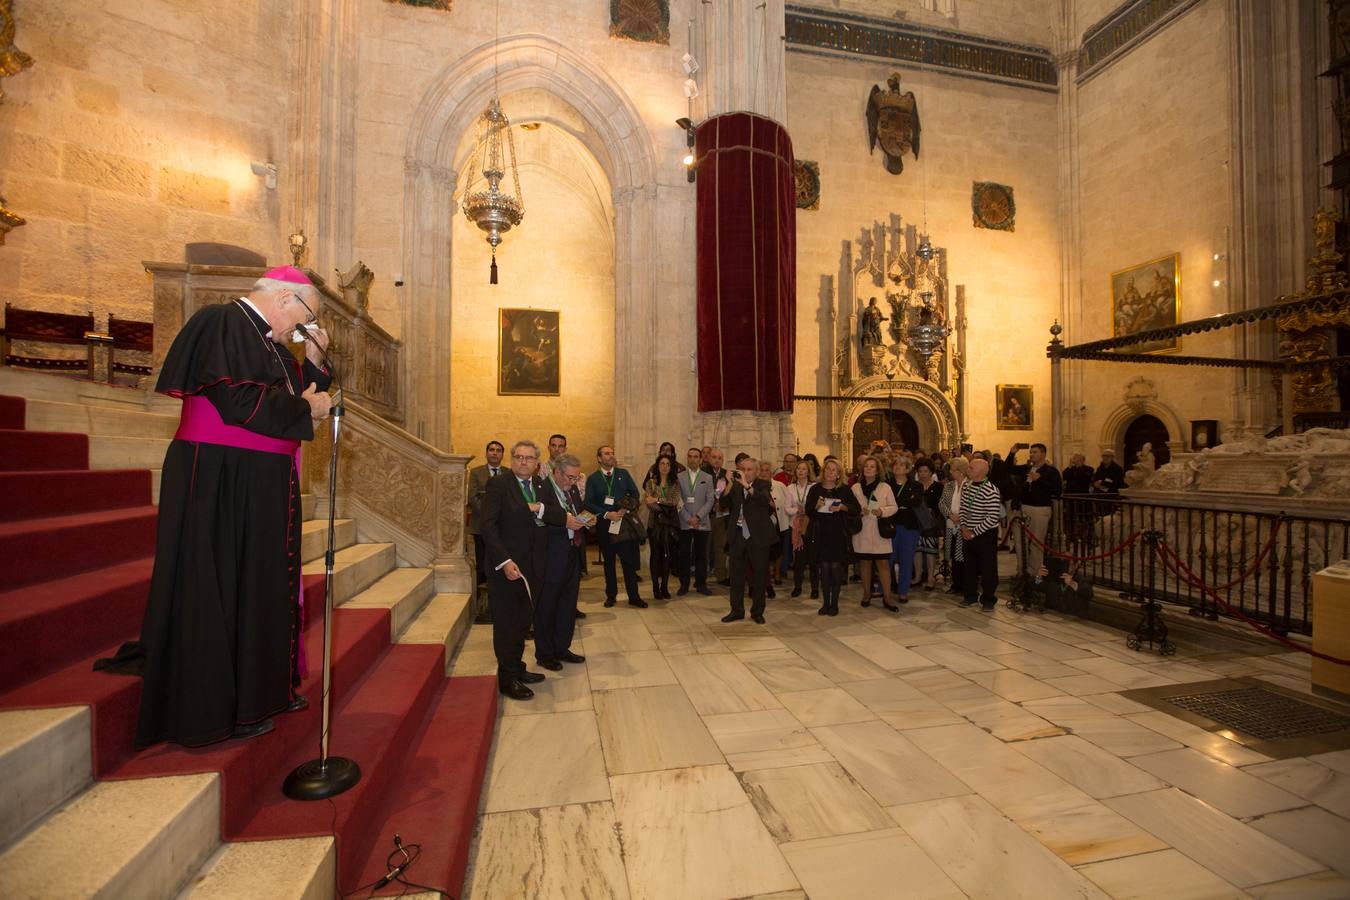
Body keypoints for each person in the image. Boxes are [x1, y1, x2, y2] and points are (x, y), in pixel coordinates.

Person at [100, 266, 334, 748]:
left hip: (260, 482)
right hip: (221, 479)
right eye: (307, 316)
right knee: (224, 585)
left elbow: (299, 395)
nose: (302, 326)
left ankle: (261, 691)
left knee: (260, 585)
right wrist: (308, 408)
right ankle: (216, 709)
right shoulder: (222, 321)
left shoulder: (268, 344)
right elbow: (241, 403)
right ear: (287, 297)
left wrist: (313, 358)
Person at [481, 439, 566, 700]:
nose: (523, 461)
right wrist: (504, 561)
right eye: (518, 457)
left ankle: (517, 667)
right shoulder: (499, 484)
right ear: (512, 459)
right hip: (508, 566)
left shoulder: (540, 484)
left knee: (522, 622)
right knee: (507, 623)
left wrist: (539, 507)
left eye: (529, 458)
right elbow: (488, 527)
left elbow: (558, 514)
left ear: (536, 463)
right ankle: (507, 678)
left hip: (534, 565)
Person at [534, 453, 591, 671]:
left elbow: (576, 511)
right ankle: (545, 653)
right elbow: (538, 523)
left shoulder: (572, 489)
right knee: (548, 606)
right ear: (557, 473)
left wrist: (586, 519)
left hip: (571, 553)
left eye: (576, 478)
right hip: (551, 555)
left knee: (568, 604)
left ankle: (562, 647)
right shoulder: (542, 490)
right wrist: (566, 525)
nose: (573, 482)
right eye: (570, 477)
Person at [584, 446, 647, 608]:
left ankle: (634, 596)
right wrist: (606, 514)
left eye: (612, 453)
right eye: (607, 453)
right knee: (609, 562)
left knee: (628, 562)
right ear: (599, 458)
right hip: (605, 525)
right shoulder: (593, 479)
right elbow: (588, 503)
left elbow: (635, 494)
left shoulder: (623, 474)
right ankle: (611, 595)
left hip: (623, 524)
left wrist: (624, 509)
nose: (611, 456)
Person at [720, 455, 777, 623]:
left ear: (757, 471)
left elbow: (762, 501)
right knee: (736, 576)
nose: (745, 472)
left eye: (749, 469)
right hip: (738, 536)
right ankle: (736, 610)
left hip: (758, 538)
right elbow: (723, 502)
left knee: (759, 577)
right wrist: (729, 484)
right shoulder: (735, 486)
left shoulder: (763, 484)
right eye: (742, 469)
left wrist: (746, 484)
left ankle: (757, 612)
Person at [806, 459, 859, 616]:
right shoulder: (815, 489)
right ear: (824, 471)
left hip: (838, 533)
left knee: (835, 568)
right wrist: (815, 506)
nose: (830, 472)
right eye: (828, 469)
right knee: (824, 568)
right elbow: (809, 510)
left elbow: (855, 508)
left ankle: (834, 603)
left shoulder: (844, 490)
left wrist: (842, 507)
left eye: (834, 470)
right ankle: (825, 603)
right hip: (820, 533)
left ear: (838, 474)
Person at [1007, 442, 1062, 577]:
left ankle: (1035, 573)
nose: (1032, 454)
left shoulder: (1051, 471)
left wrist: (1040, 480)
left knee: (1037, 543)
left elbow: (1057, 491)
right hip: (1023, 508)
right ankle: (1022, 570)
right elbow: (1008, 468)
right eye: (1031, 452)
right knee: (1020, 543)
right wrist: (1012, 452)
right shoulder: (1027, 468)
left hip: (1040, 509)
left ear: (1043, 454)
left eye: (1035, 452)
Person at [853, 456, 899, 612]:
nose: (868, 469)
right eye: (866, 466)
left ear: (878, 470)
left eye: (872, 466)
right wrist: (859, 511)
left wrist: (882, 511)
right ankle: (866, 593)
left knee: (883, 565)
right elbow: (851, 508)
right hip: (863, 531)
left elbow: (894, 507)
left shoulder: (885, 487)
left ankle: (887, 596)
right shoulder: (856, 488)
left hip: (880, 531)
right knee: (865, 564)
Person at [959, 458, 1004, 611]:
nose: (968, 470)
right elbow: (963, 508)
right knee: (969, 566)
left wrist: (974, 533)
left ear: (980, 471)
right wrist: (964, 527)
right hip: (967, 532)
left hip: (985, 534)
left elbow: (992, 517)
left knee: (987, 568)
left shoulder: (991, 490)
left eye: (971, 468)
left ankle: (988, 599)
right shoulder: (966, 485)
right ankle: (970, 596)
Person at [468, 440, 505, 592]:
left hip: (503, 526)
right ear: (486, 453)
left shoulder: (508, 473)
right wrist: (489, 516)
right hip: (481, 526)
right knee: (483, 563)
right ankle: (481, 601)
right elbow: (472, 497)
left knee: (500, 559)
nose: (494, 453)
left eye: (498, 450)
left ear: (502, 454)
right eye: (491, 450)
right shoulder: (476, 472)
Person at [676, 447, 714, 596]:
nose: (692, 459)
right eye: (690, 456)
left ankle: (701, 584)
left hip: (702, 522)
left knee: (701, 554)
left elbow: (710, 500)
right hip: (684, 521)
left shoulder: (708, 477)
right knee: (684, 554)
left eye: (696, 456)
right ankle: (684, 584)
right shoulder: (679, 477)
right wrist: (688, 518)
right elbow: (677, 500)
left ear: (700, 459)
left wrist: (697, 517)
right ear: (687, 458)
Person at [643, 454, 681, 600]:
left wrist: (658, 499)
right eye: (662, 464)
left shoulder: (675, 483)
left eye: (667, 464)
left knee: (667, 555)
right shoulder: (650, 483)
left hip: (669, 525)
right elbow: (649, 503)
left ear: (671, 467)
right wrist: (662, 505)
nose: (664, 466)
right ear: (657, 466)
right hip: (654, 524)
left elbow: (674, 501)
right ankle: (655, 587)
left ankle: (664, 586)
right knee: (655, 555)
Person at [888, 455, 922, 604]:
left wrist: (895, 504)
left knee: (906, 560)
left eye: (901, 465)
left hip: (909, 528)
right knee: (888, 559)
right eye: (895, 464)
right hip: (890, 527)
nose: (897, 467)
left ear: (908, 469)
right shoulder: (886, 485)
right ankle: (885, 589)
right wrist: (901, 504)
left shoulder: (916, 486)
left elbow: (915, 501)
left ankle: (903, 591)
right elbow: (886, 502)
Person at [786, 460, 818, 598]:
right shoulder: (790, 488)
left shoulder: (814, 487)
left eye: (804, 469)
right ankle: (797, 586)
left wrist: (808, 510)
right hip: (796, 526)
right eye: (798, 468)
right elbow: (787, 508)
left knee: (813, 559)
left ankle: (815, 588)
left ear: (808, 471)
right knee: (798, 559)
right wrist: (797, 510)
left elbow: (818, 505)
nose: (801, 471)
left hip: (811, 525)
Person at [760, 459, 791, 597]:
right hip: (762, 524)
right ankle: (765, 577)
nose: (764, 472)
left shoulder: (780, 486)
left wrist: (775, 506)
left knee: (778, 550)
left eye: (767, 470)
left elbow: (787, 503)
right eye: (762, 470)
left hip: (779, 522)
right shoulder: (755, 486)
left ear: (771, 472)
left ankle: (777, 573)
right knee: (764, 552)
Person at [939, 456, 969, 595]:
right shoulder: (948, 485)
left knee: (963, 556)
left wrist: (961, 517)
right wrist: (950, 515)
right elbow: (942, 503)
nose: (951, 472)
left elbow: (972, 506)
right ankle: (955, 584)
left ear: (961, 471)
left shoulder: (970, 485)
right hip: (951, 524)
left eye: (953, 469)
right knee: (953, 555)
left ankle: (965, 584)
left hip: (965, 525)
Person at [913, 458, 943, 588]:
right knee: (917, 550)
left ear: (931, 472)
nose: (922, 474)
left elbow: (941, 505)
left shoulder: (938, 487)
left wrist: (932, 509)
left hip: (931, 523)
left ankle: (931, 577)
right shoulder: (913, 486)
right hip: (915, 522)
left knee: (930, 550)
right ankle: (918, 576)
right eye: (920, 471)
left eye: (925, 471)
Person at [702, 448, 731, 585]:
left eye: (720, 458)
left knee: (720, 546)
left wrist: (723, 504)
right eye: (714, 457)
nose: (717, 460)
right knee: (704, 546)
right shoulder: (702, 472)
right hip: (705, 515)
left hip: (721, 515)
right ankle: (702, 575)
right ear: (709, 458)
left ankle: (721, 575)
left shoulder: (726, 474)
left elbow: (730, 494)